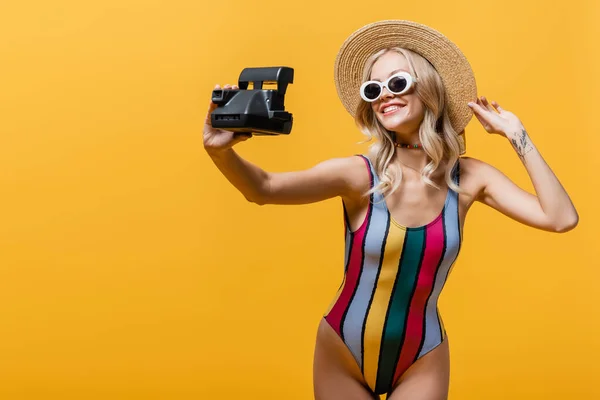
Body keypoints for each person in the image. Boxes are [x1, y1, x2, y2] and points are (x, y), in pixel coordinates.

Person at [203, 20, 578, 400]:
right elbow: (263, 189)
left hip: (423, 356)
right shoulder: (358, 174)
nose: (384, 96)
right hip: (342, 353)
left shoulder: (471, 178)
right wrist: (220, 151)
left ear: (427, 89)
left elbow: (561, 218)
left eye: (397, 83)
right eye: (373, 89)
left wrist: (517, 135)